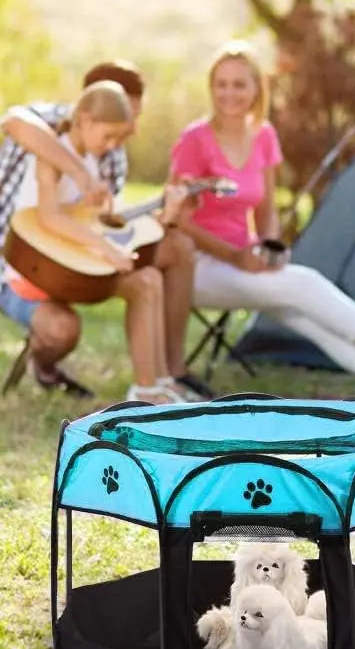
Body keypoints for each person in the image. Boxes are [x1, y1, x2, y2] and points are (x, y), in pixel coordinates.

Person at [169, 40, 355, 387]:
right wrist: (234, 256)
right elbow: (176, 219)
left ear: (256, 88)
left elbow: (266, 211)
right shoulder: (194, 140)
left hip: (246, 262)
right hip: (196, 267)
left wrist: (269, 247)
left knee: (303, 314)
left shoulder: (262, 135)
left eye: (239, 84)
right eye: (221, 84)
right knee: (304, 284)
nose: (229, 93)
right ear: (211, 88)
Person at [0, 59, 210, 399]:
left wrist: (165, 213)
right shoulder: (50, 151)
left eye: (119, 136)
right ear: (85, 119)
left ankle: (152, 386)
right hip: (34, 270)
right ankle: (146, 388)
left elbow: (103, 222)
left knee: (148, 280)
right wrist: (107, 251)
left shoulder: (98, 156)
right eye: (109, 135)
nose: (114, 144)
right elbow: (50, 219)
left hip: (74, 262)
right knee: (120, 294)